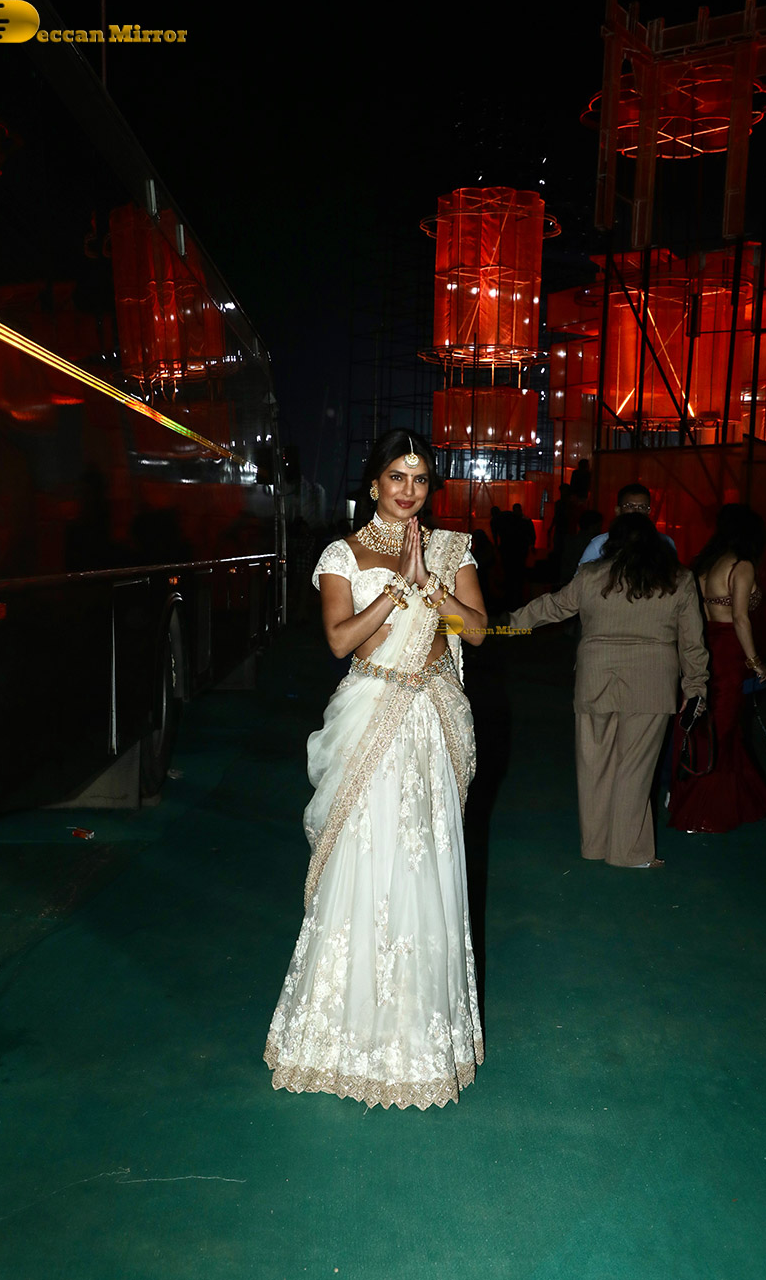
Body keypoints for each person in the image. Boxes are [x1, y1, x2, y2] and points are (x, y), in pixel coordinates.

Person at [264, 429, 487, 1109]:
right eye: (397, 477)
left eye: (420, 480)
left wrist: (435, 590)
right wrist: (397, 590)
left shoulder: (452, 549)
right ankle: (343, 1036)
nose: (408, 491)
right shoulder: (343, 554)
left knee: (425, 866)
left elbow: (477, 631)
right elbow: (340, 641)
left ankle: (420, 1036)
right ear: (373, 483)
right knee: (365, 863)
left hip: (432, 722)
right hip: (370, 723)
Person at [509, 514, 708, 868]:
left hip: (596, 678)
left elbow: (551, 608)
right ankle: (628, 852)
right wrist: (695, 687)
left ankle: (595, 845)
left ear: (612, 542)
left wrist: (502, 625)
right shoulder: (679, 579)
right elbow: (693, 643)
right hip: (652, 683)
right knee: (635, 768)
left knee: (593, 764)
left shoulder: (590, 575)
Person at [668, 504, 766, 833]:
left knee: (704, 722)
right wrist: (756, 663)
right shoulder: (742, 566)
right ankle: (702, 812)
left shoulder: (704, 564)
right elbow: (741, 618)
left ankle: (690, 795)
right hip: (729, 650)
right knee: (724, 729)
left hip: (702, 645)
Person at [577, 483, 676, 567]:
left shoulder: (665, 543)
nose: (636, 511)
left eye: (642, 507)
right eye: (629, 506)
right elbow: (582, 579)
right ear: (618, 510)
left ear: (648, 511)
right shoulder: (599, 544)